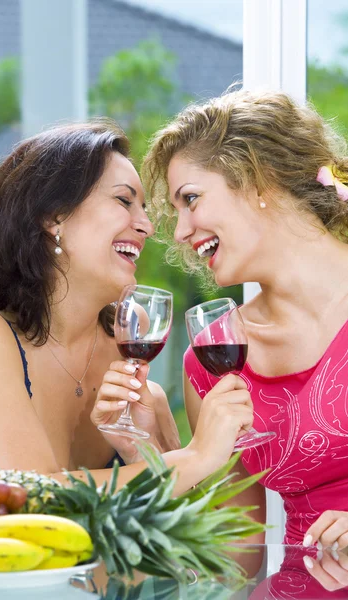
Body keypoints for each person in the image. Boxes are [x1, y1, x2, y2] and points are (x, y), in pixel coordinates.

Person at [0, 120, 254, 495]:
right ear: (53, 216)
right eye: (124, 201)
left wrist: (144, 449)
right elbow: (33, 496)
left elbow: (185, 538)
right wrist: (197, 455)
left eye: (143, 208)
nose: (146, 226)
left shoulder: (126, 336)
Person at [142, 89, 348, 555]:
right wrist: (150, 450)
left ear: (256, 179)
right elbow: (238, 550)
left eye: (191, 199)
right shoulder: (212, 358)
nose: (179, 231)